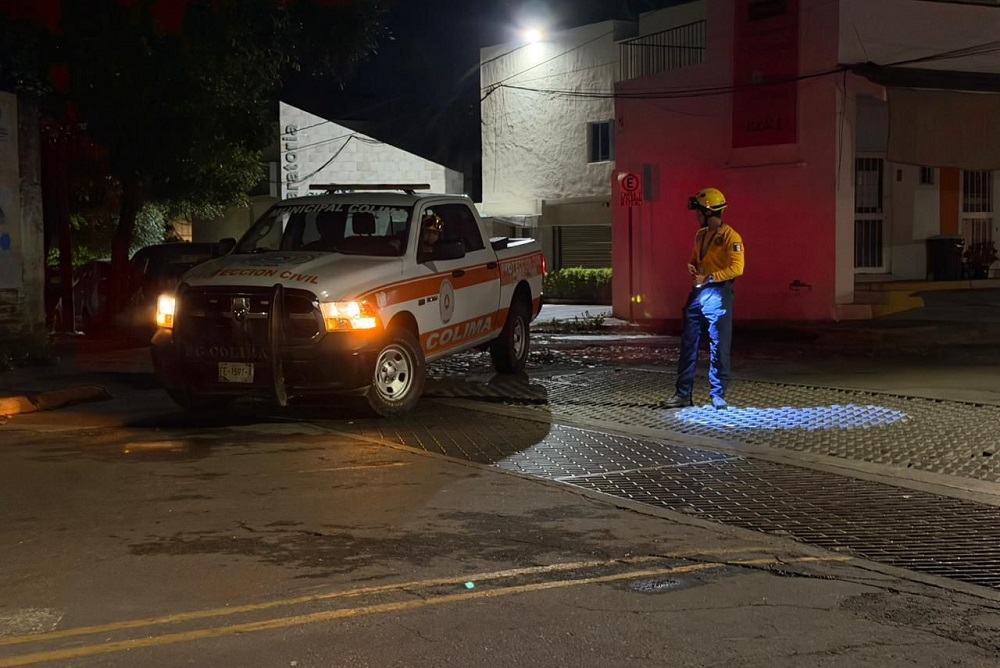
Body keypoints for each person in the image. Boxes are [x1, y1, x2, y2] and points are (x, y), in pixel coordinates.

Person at [660, 187, 745, 410]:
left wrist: (709, 277)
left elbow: (737, 268)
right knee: (689, 344)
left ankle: (718, 394)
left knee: (719, 345)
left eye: (698, 212)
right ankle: (682, 394)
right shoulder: (701, 235)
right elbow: (695, 259)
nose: (696, 216)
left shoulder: (731, 237)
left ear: (708, 212)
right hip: (699, 293)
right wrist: (692, 267)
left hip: (719, 293)